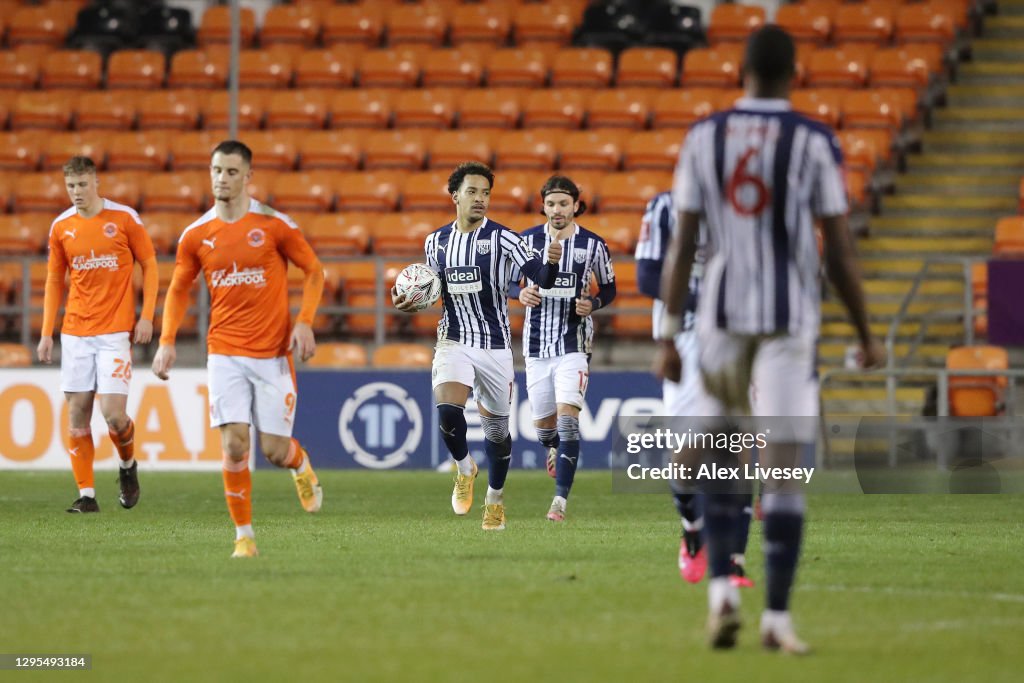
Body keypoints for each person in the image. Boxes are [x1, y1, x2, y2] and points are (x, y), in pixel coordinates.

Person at [653, 26, 883, 653]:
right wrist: (866, 332)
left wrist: (670, 334)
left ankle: (722, 591)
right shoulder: (813, 140)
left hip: (720, 316)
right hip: (788, 322)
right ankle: (776, 618)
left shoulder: (704, 137)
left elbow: (682, 244)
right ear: (794, 72)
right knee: (781, 466)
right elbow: (836, 245)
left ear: (741, 70)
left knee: (721, 454)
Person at [151, 140, 325, 559]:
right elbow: (177, 289)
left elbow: (314, 271)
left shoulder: (274, 224)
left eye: (231, 172)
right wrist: (167, 340)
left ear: (248, 177)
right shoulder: (197, 235)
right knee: (234, 446)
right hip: (224, 353)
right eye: (216, 170)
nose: (221, 179)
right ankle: (243, 536)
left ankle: (299, 463)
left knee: (274, 451)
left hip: (272, 355)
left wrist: (304, 322)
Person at [392, 162, 561, 531]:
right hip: (453, 339)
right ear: (455, 195)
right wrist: (406, 299)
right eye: (472, 192)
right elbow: (430, 288)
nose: (480, 199)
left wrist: (551, 261)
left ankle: (494, 499)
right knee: (448, 412)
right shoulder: (435, 242)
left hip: (495, 347)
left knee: (497, 436)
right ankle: (464, 467)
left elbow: (542, 278)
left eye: (486, 193)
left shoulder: (505, 239)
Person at [636, 191, 755, 588]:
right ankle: (692, 528)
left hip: (738, 336)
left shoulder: (750, 202)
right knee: (686, 459)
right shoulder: (666, 206)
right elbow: (647, 275)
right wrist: (706, 301)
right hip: (685, 338)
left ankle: (734, 561)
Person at [38, 155, 157, 513]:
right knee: (77, 415)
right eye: (71, 186)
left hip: (114, 333)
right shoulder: (61, 227)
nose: (76, 192)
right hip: (75, 332)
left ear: (96, 183)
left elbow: (150, 264)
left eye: (82, 184)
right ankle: (87, 495)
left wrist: (147, 316)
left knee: (113, 416)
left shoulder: (123, 219)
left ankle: (127, 465)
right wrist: (47, 333)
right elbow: (54, 280)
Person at [514, 175, 616, 522]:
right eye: (552, 203)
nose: (557, 210)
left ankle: (559, 503)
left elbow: (610, 287)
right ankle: (552, 447)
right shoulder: (526, 241)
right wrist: (520, 294)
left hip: (574, 345)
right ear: (543, 206)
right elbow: (511, 282)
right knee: (544, 427)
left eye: (564, 203)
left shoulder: (593, 245)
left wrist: (596, 303)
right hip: (536, 345)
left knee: (569, 420)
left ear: (576, 205)